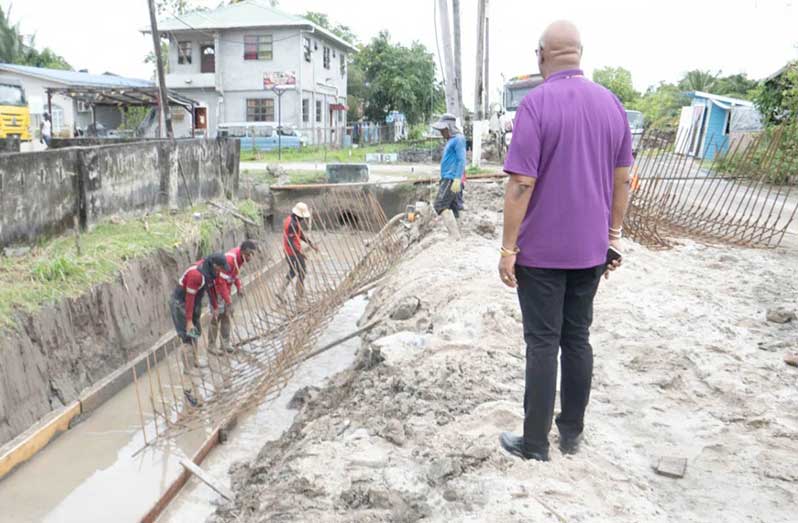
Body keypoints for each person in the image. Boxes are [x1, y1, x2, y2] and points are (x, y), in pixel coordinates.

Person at [497, 20, 633, 461]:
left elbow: (521, 183)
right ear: (579, 53)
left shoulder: (535, 106)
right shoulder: (612, 105)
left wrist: (507, 248)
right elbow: (623, 181)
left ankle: (535, 443)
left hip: (540, 254)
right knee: (577, 338)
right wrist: (612, 237)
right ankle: (571, 434)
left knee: (542, 343)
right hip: (591, 251)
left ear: (541, 55)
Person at [209, 240, 257, 354]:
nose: (250, 257)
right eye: (248, 254)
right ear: (243, 251)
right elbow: (220, 282)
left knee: (226, 315)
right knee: (217, 316)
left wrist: (239, 286)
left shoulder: (240, 259)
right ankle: (211, 346)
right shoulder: (230, 260)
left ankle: (225, 344)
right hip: (216, 289)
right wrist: (228, 301)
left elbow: (234, 275)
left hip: (225, 288)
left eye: (251, 255)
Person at [280, 202, 318, 301]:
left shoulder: (291, 220)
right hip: (293, 252)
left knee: (293, 271)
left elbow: (300, 235)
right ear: (299, 215)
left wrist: (311, 244)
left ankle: (281, 292)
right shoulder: (292, 224)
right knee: (302, 271)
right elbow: (290, 241)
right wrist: (299, 253)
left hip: (289, 251)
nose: (303, 219)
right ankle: (299, 293)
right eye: (303, 217)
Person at [432, 114, 467, 220]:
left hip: (452, 178)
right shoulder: (451, 140)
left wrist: (457, 178)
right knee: (455, 207)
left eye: (443, 130)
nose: (441, 132)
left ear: (449, 128)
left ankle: (454, 234)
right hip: (448, 177)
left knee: (440, 205)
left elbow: (462, 160)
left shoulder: (458, 139)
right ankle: (459, 234)